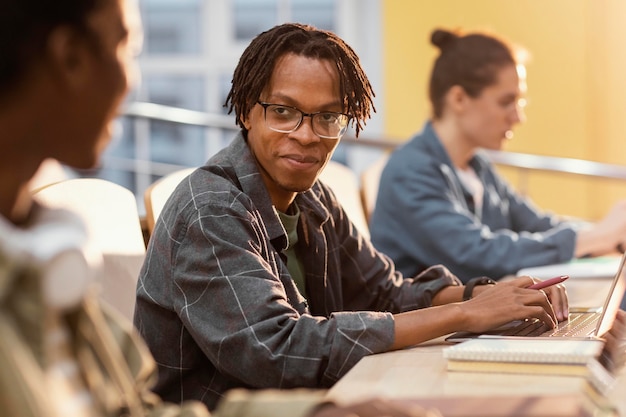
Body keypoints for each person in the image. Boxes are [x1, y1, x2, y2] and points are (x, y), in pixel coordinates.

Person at [134, 22, 569, 412]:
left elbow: (384, 292)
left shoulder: (311, 195)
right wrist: (465, 315)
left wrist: (488, 296)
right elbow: (277, 351)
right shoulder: (211, 209)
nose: (306, 136)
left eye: (327, 117)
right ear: (248, 110)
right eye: (283, 112)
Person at [369, 28, 626, 283]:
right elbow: (478, 254)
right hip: (442, 319)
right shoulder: (408, 171)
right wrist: (599, 236)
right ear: (459, 99)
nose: (518, 117)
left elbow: (537, 224)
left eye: (520, 102)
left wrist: (607, 234)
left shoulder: (477, 166)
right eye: (506, 102)